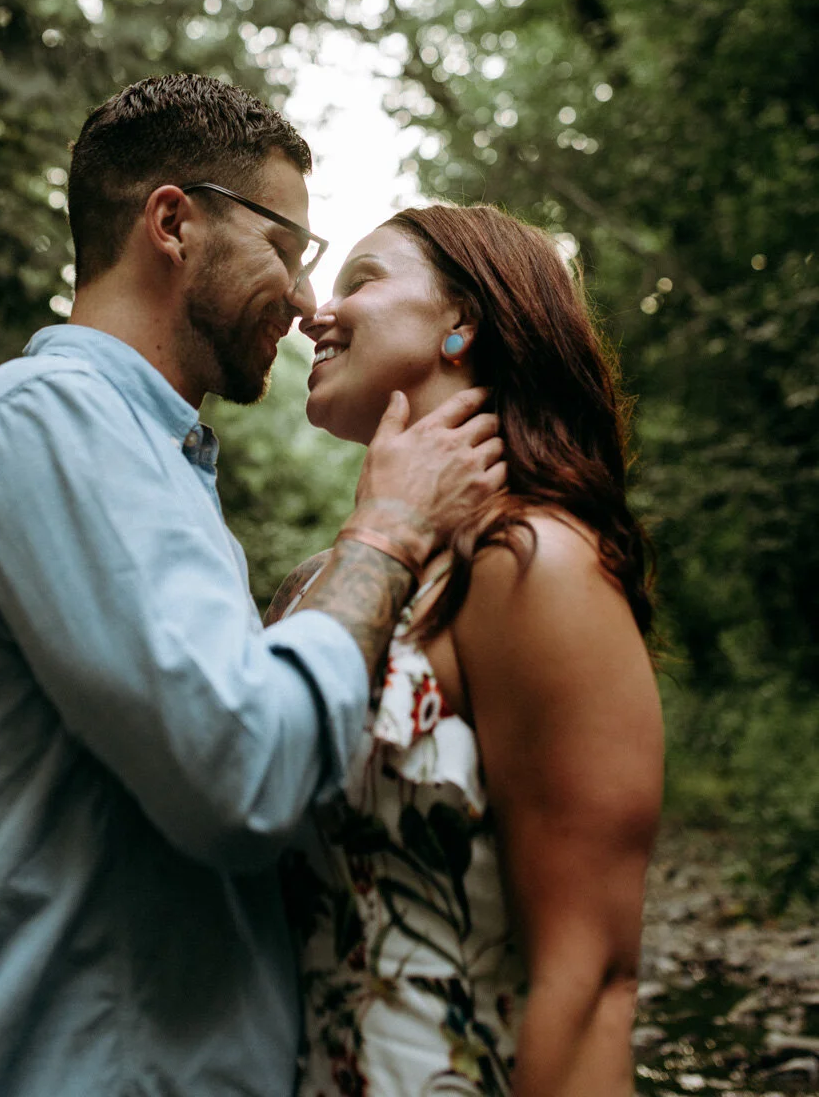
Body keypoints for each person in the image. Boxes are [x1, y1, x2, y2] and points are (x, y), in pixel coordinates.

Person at [0, 75, 506, 1097]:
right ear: (172, 222)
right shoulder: (49, 423)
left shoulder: (146, 461)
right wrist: (387, 531)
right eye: (287, 249)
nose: (307, 301)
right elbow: (240, 773)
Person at [268, 203, 663, 1097]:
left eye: (360, 281)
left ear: (463, 322)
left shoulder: (537, 569)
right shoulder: (314, 588)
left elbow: (593, 982)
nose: (313, 315)